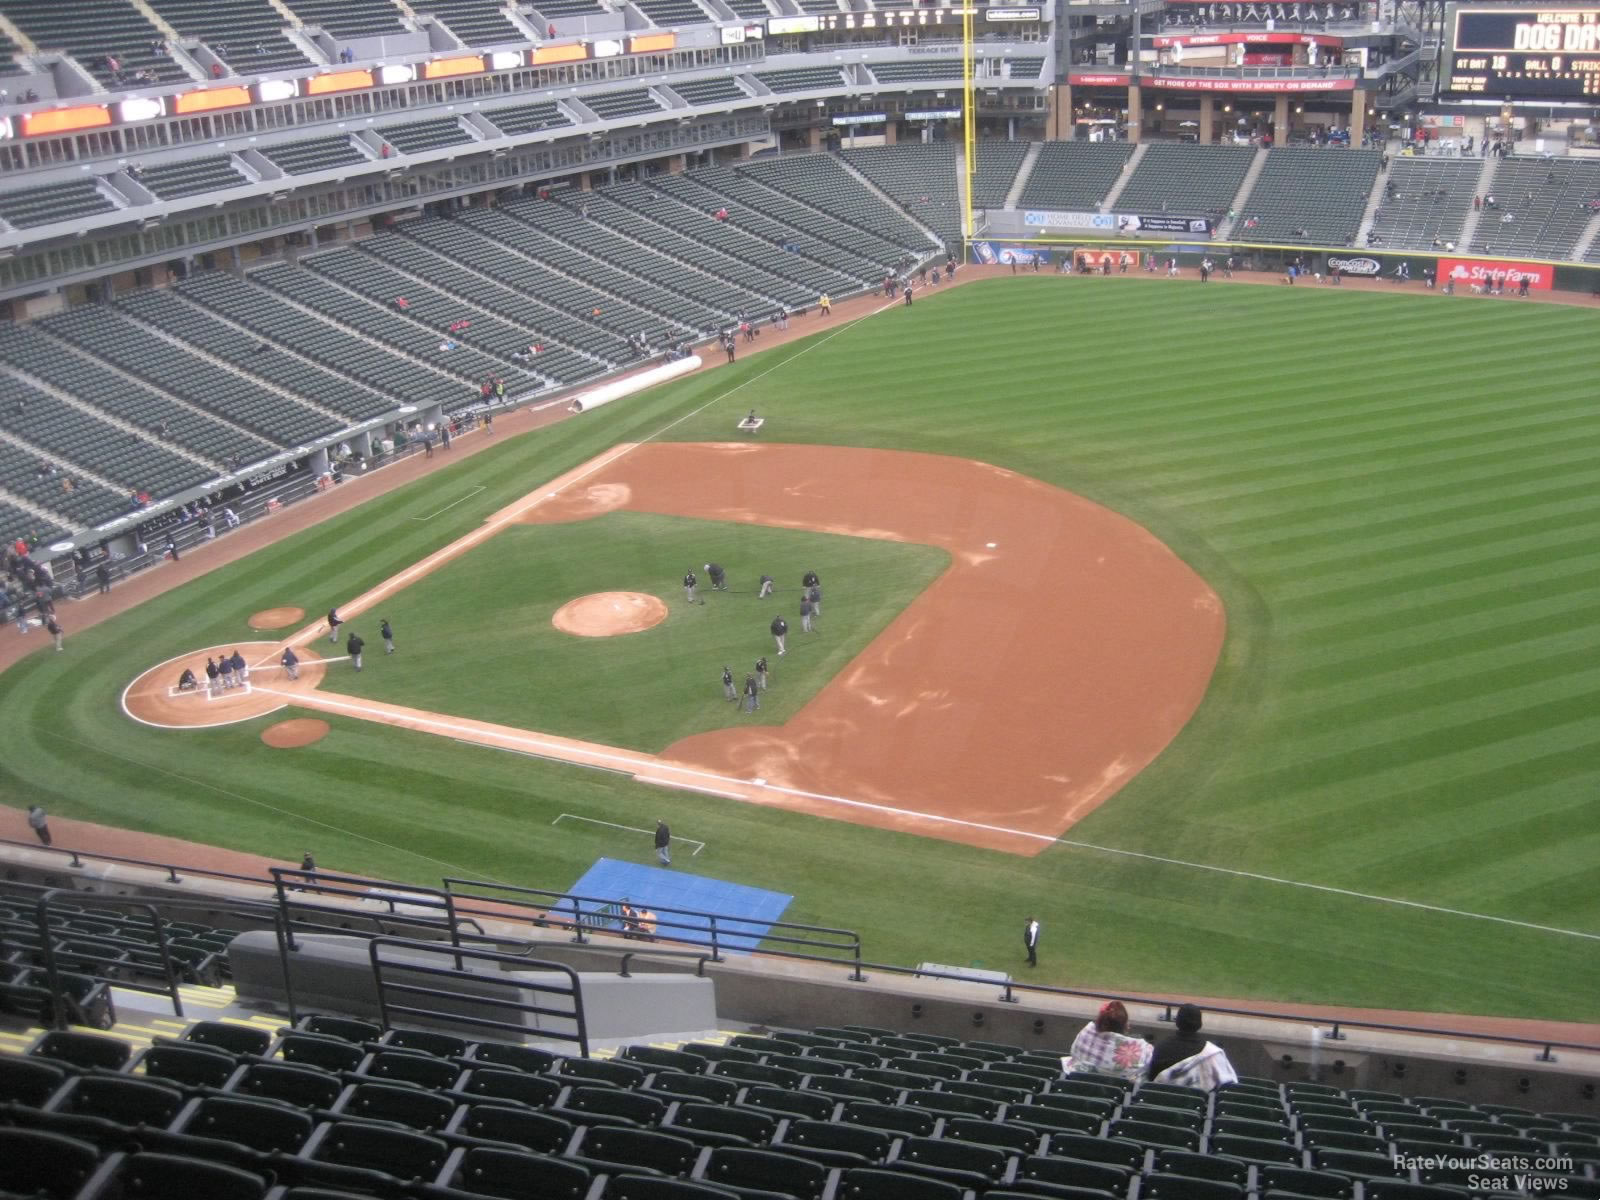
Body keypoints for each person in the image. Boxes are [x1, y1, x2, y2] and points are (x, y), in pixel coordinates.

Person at [1149, 1004, 1238, 1089]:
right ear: (1200, 1024)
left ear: (1177, 1022)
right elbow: (1228, 1085)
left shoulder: (1161, 1047)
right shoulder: (1213, 1053)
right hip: (1197, 1103)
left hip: (1161, 1101)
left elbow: (1151, 1080)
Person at [1065, 1000, 1154, 1082]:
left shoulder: (1085, 1033)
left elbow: (1073, 1053)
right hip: (1117, 1095)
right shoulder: (1143, 1050)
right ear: (1125, 1026)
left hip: (1078, 1087)